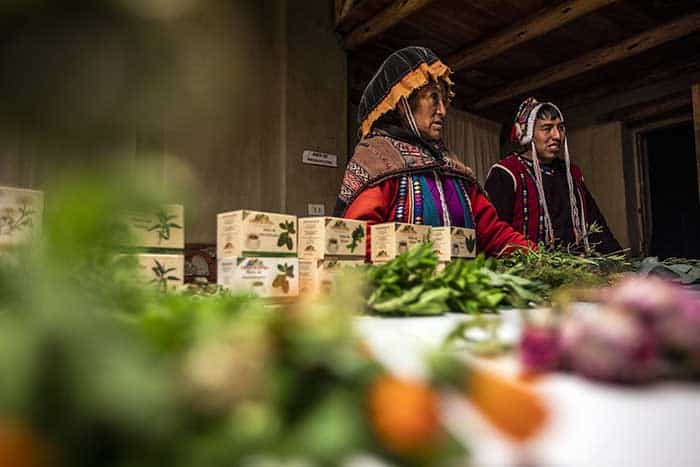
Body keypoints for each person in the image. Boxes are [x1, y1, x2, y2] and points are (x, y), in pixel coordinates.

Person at [333, 46, 530, 258]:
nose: (443, 111)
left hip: (461, 288)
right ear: (403, 103)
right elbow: (357, 237)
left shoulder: (452, 168)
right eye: (433, 98)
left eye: (444, 100)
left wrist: (536, 255)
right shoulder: (378, 159)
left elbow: (492, 233)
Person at [484, 97, 621, 254]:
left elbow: (597, 226)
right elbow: (495, 231)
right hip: (526, 271)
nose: (556, 135)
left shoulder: (572, 175)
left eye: (560, 128)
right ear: (528, 134)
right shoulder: (507, 172)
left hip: (577, 270)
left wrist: (621, 265)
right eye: (547, 128)